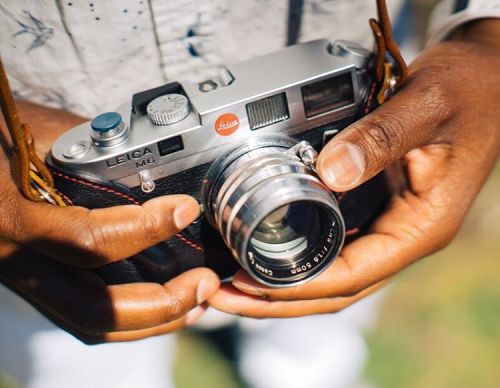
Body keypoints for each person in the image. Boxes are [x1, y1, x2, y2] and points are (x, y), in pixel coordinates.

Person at [0, 1, 499, 387]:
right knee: (80, 362)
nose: (272, 221)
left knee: (320, 328)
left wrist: (489, 37)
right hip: (43, 194)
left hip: (347, 99)